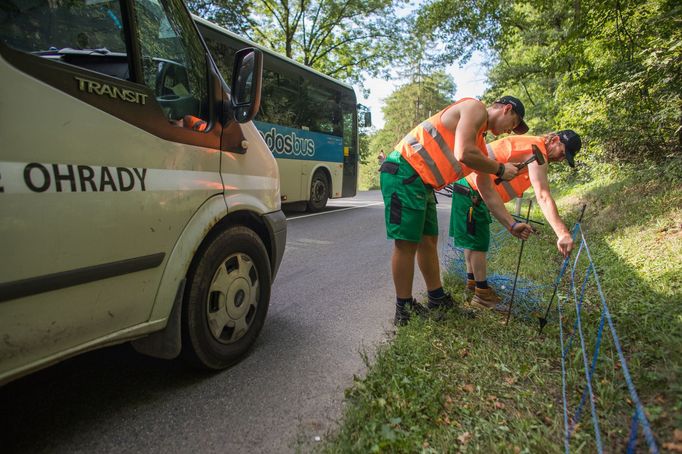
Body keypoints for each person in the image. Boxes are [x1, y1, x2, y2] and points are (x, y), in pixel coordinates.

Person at [380, 96, 534, 326]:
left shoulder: (480, 145)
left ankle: (436, 298)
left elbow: (487, 190)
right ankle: (403, 309)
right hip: (404, 171)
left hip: (422, 182)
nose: (507, 131)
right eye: (512, 124)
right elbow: (463, 152)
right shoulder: (475, 108)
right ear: (506, 109)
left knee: (428, 241)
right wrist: (501, 168)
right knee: (406, 242)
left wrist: (511, 225)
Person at [449, 130, 582, 311]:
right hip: (474, 190)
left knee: (473, 241)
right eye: (562, 153)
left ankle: (472, 285)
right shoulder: (537, 151)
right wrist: (562, 233)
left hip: (470, 188)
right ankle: (481, 295)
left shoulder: (532, 146)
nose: (560, 159)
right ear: (556, 140)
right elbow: (542, 195)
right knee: (478, 243)